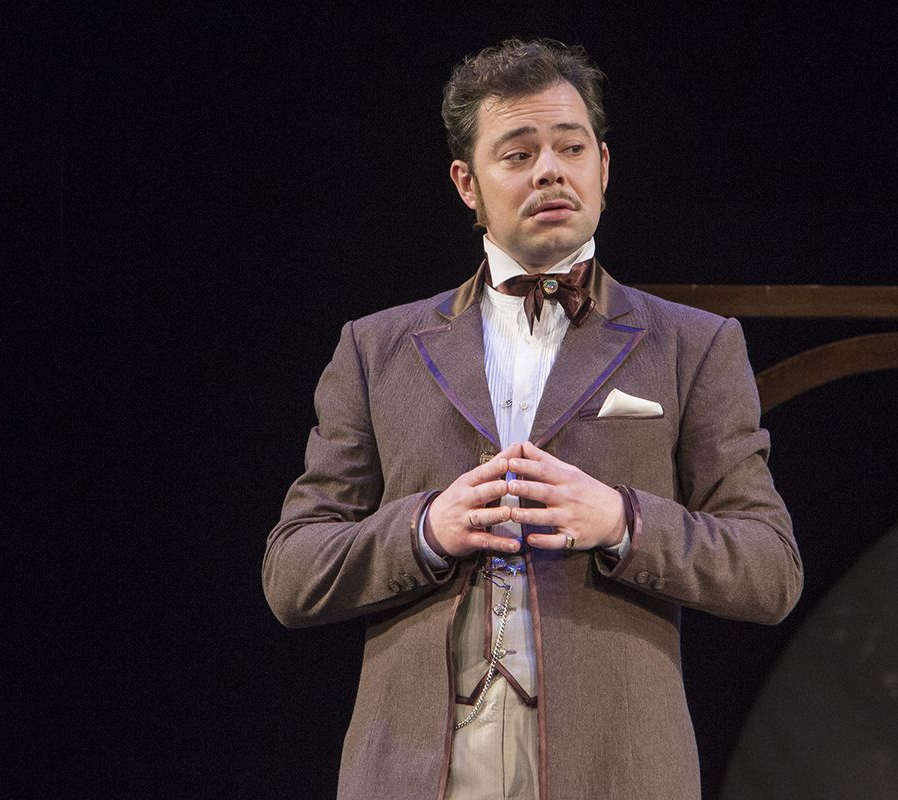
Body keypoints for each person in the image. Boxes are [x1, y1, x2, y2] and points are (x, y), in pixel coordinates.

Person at [263, 38, 802, 800]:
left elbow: (770, 568)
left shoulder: (692, 346)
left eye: (570, 148)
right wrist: (424, 529)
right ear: (467, 184)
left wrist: (622, 520)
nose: (550, 170)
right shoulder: (377, 349)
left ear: (603, 168)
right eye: (518, 154)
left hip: (613, 768)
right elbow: (292, 570)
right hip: (418, 768)